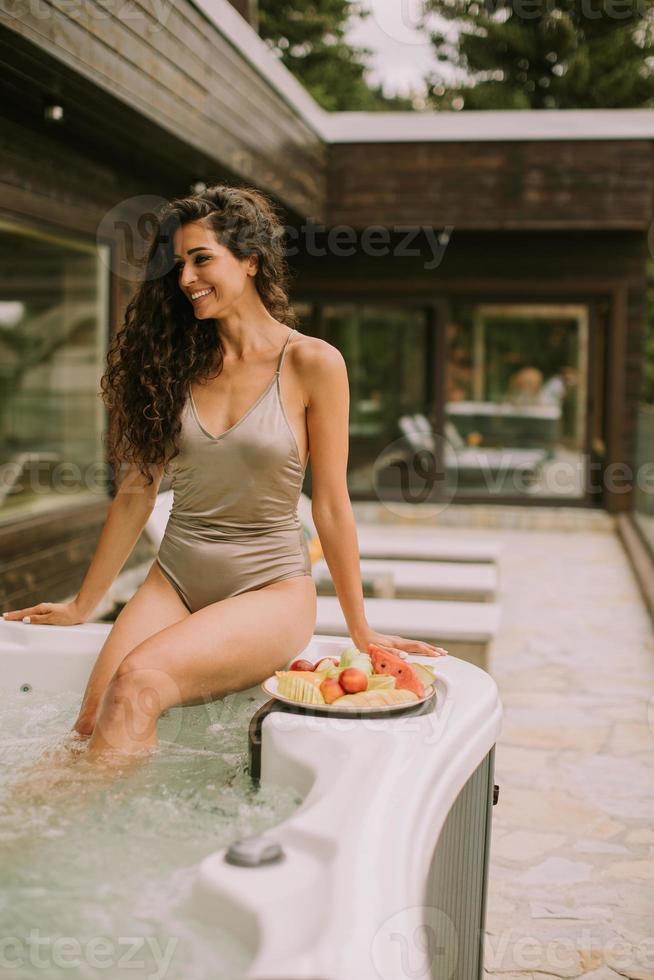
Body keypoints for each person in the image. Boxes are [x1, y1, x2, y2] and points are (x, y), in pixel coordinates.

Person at [2, 184, 446, 770]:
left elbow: (332, 506)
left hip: (270, 589)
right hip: (175, 579)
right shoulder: (175, 364)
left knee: (137, 684)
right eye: (179, 264)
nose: (185, 277)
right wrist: (84, 603)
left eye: (201, 259)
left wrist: (361, 631)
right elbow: (136, 493)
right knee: (89, 724)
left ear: (252, 259)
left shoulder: (313, 363)